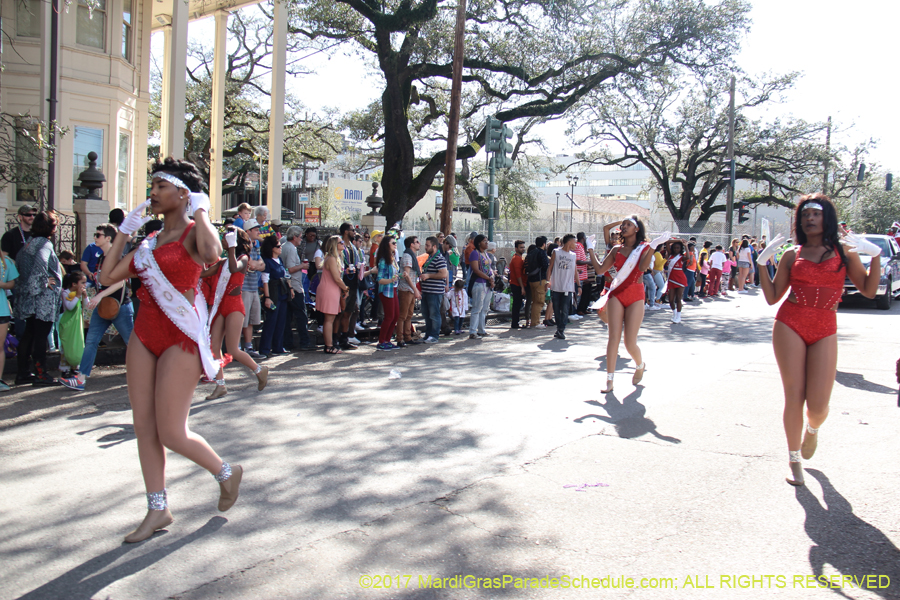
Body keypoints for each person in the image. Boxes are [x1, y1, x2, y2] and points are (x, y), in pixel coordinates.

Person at [98, 157, 242, 543]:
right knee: (144, 426)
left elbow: (212, 254)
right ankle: (157, 509)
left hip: (180, 337)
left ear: (182, 192)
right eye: (153, 186)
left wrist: (201, 208)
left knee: (172, 432)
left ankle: (226, 472)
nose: (153, 193)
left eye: (161, 185)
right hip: (145, 335)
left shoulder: (195, 233)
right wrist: (124, 233)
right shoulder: (147, 242)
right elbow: (107, 275)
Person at [758, 194, 881, 487]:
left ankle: (812, 430)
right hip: (790, 322)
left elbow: (869, 291)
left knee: (819, 405)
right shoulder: (792, 253)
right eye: (804, 215)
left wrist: (874, 255)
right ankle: (794, 459)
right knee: (794, 394)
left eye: (815, 214)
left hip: (825, 326)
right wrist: (763, 263)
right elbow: (773, 297)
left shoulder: (844, 252)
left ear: (827, 218)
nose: (809, 219)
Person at [586, 217, 669, 393]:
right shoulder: (616, 250)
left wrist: (653, 245)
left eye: (628, 225)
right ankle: (609, 380)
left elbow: (643, 266)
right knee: (613, 337)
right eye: (623, 225)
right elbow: (600, 270)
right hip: (617, 293)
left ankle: (640, 364)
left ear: (637, 229)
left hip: (636, 295)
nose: (623, 227)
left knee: (630, 342)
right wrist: (590, 248)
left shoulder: (644, 248)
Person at [60, 224, 137, 392]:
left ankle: (144, 374)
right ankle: (81, 378)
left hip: (120, 306)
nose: (95, 237)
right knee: (91, 341)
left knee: (131, 342)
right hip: (104, 306)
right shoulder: (102, 258)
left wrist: (99, 295)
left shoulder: (117, 257)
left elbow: (121, 281)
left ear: (108, 238)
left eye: (98, 235)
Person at [203, 226, 268, 400]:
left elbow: (234, 268)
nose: (223, 241)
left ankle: (259, 370)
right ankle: (220, 385)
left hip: (234, 307)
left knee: (232, 349)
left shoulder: (243, 259)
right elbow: (203, 273)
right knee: (214, 346)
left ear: (234, 241)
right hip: (221, 306)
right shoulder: (223, 261)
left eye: (226, 238)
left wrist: (231, 247)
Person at [14, 210, 62, 386]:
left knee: (29, 334)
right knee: (41, 335)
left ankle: (23, 373)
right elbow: (41, 263)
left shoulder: (29, 243)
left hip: (29, 297)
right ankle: (41, 374)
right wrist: (42, 281)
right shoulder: (44, 244)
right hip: (42, 298)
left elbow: (19, 262)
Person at [281, 226, 315, 351]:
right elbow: (290, 268)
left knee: (288, 316)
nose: (301, 239)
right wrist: (302, 265)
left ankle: (288, 342)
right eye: (300, 237)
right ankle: (304, 341)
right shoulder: (290, 248)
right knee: (301, 314)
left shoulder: (285, 246)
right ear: (294, 237)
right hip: (294, 285)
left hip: (290, 284)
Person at [259, 235, 292, 357]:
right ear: (271, 248)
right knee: (271, 321)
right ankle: (265, 348)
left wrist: (290, 289)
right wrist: (267, 297)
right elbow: (265, 281)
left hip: (282, 292)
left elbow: (285, 275)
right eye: (278, 246)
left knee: (281, 321)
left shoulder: (280, 260)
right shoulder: (267, 262)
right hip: (273, 292)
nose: (280, 248)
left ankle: (278, 347)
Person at [316, 235, 349, 354]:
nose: (343, 244)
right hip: (329, 289)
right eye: (340, 243)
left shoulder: (336, 257)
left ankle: (330, 344)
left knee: (331, 318)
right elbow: (336, 278)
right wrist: (346, 288)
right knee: (329, 319)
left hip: (333, 289)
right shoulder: (331, 258)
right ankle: (329, 346)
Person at [240, 219, 266, 359]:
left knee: (251, 319)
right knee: (240, 319)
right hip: (243, 287)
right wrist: (255, 265)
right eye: (255, 229)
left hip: (253, 286)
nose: (258, 232)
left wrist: (256, 265)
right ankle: (237, 347)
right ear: (248, 231)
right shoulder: (242, 246)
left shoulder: (255, 246)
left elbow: (261, 265)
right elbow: (250, 264)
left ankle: (248, 346)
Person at [546, 234, 578, 340]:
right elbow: (550, 267)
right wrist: (548, 281)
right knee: (556, 308)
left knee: (565, 309)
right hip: (556, 286)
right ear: (569, 242)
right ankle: (559, 328)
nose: (576, 244)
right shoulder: (556, 252)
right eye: (574, 242)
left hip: (568, 287)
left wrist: (578, 285)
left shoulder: (573, 255)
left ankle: (561, 329)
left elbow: (575, 271)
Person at [58, 272, 87, 380]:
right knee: (67, 345)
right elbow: (69, 306)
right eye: (82, 282)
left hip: (77, 323)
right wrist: (78, 295)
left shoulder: (79, 293)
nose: (85, 285)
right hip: (67, 323)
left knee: (77, 343)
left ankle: (75, 367)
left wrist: (84, 296)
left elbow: (86, 305)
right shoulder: (65, 292)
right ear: (74, 284)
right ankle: (65, 369)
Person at [419, 236, 448, 343]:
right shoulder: (429, 258)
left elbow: (443, 274)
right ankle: (428, 334)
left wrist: (428, 276)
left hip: (435, 292)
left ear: (434, 246)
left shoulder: (439, 258)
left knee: (434, 314)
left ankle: (434, 335)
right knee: (426, 314)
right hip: (426, 291)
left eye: (427, 245)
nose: (425, 247)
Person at [395, 236, 422, 347]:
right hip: (406, 289)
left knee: (409, 315)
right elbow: (406, 275)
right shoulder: (407, 255)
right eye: (417, 242)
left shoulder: (412, 255)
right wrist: (415, 289)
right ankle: (400, 338)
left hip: (410, 289)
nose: (419, 243)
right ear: (411, 244)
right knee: (403, 315)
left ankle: (408, 337)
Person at [375, 235, 400, 351]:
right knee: (389, 316)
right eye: (393, 243)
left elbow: (394, 274)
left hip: (393, 289)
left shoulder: (392, 257)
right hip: (386, 290)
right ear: (387, 245)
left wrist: (400, 276)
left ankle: (388, 340)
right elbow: (379, 279)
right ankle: (381, 341)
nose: (395, 244)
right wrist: (391, 280)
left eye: (395, 243)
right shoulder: (383, 260)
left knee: (395, 316)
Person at [467, 234, 493, 339]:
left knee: (485, 308)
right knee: (477, 308)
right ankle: (473, 331)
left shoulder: (485, 254)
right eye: (484, 241)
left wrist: (491, 278)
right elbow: (476, 270)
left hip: (487, 284)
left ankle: (481, 330)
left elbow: (489, 268)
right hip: (479, 283)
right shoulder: (475, 253)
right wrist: (488, 278)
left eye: (487, 241)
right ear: (479, 243)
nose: (487, 243)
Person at [0, 248, 19, 391]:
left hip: (2, 310)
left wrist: (2, 285)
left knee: (0, 346)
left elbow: (12, 283)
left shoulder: (5, 262)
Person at [526, 236, 549, 328]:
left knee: (534, 301)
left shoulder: (532, 252)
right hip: (540, 279)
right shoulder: (542, 252)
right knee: (539, 302)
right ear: (544, 244)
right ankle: (535, 323)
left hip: (531, 279)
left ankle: (534, 321)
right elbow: (545, 265)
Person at [664, 240, 688, 323]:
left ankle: (678, 316)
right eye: (674, 248)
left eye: (678, 248)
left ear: (680, 248)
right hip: (671, 279)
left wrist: (686, 246)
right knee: (670, 300)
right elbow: (667, 242)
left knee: (678, 298)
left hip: (680, 279)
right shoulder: (670, 254)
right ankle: (674, 314)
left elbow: (687, 257)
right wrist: (678, 240)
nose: (676, 249)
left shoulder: (681, 256)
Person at [508, 240, 527, 329]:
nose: (523, 249)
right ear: (516, 248)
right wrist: (522, 287)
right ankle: (515, 323)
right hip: (516, 284)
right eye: (521, 247)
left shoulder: (519, 258)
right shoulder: (516, 259)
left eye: (523, 247)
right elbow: (518, 274)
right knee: (517, 304)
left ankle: (515, 322)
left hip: (518, 284)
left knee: (518, 304)